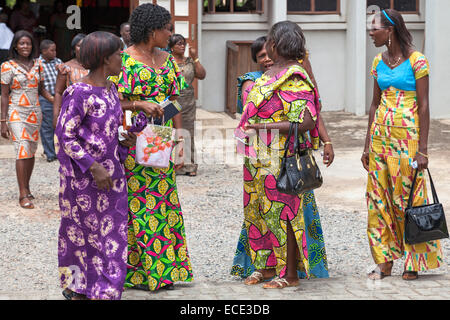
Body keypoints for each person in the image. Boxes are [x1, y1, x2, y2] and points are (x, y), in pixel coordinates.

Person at [231, 35, 334, 281]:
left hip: (281, 154)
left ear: (280, 45)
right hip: (258, 156)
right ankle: (267, 266)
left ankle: (289, 273)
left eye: (272, 45)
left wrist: (262, 126)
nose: (268, 53)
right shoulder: (265, 77)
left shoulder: (295, 76)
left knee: (285, 213)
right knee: (258, 211)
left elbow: (307, 120)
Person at [110, 3, 194, 291]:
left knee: (164, 202)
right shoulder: (124, 60)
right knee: (137, 204)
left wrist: (178, 138)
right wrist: (138, 104)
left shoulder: (168, 59)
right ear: (152, 30)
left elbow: (175, 100)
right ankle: (139, 274)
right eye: (167, 29)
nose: (170, 34)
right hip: (132, 141)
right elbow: (110, 103)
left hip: (160, 139)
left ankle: (165, 272)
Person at [55, 31, 142, 300]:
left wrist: (126, 138)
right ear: (105, 59)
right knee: (80, 234)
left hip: (112, 175)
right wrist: (93, 167)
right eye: (119, 53)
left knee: (112, 234)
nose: (123, 58)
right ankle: (78, 287)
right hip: (83, 180)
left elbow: (110, 129)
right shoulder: (79, 92)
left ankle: (105, 289)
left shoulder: (111, 90)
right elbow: (64, 134)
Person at [363, 9, 443, 281]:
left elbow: (424, 106)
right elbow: (374, 105)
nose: (370, 33)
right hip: (379, 142)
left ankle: (413, 260)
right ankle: (384, 262)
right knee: (377, 202)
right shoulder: (378, 62)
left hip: (407, 143)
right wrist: (366, 146)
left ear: (391, 30)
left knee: (406, 200)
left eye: (374, 28)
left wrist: (423, 149)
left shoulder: (417, 61)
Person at [1, 30, 52, 209]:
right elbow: (4, 96)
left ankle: (27, 188)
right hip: (16, 112)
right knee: (22, 148)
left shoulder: (38, 65)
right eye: (21, 43)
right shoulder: (7, 66)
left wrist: (56, 100)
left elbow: (41, 90)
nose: (25, 47)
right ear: (15, 45)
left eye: (28, 44)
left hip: (35, 113)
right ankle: (22, 194)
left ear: (32, 46)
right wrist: (3, 121)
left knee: (30, 150)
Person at [169, 34, 206, 177]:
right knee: (171, 131)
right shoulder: (167, 62)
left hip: (188, 101)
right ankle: (171, 164)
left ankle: (189, 166)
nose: (182, 46)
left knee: (188, 131)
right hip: (171, 100)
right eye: (178, 44)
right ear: (171, 47)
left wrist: (195, 57)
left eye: (183, 43)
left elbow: (202, 75)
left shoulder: (190, 61)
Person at [52, 33, 89, 128]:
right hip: (71, 112)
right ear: (74, 48)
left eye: (86, 46)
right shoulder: (66, 67)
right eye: (80, 46)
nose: (83, 49)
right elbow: (58, 92)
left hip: (92, 114)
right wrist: (56, 116)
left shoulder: (96, 67)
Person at [38, 39, 61, 162]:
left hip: (58, 97)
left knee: (57, 124)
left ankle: (58, 151)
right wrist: (51, 99)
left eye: (55, 50)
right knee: (47, 126)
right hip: (45, 98)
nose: (55, 53)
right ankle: (50, 153)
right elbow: (39, 87)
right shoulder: (37, 64)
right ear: (44, 51)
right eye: (52, 50)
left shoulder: (58, 62)